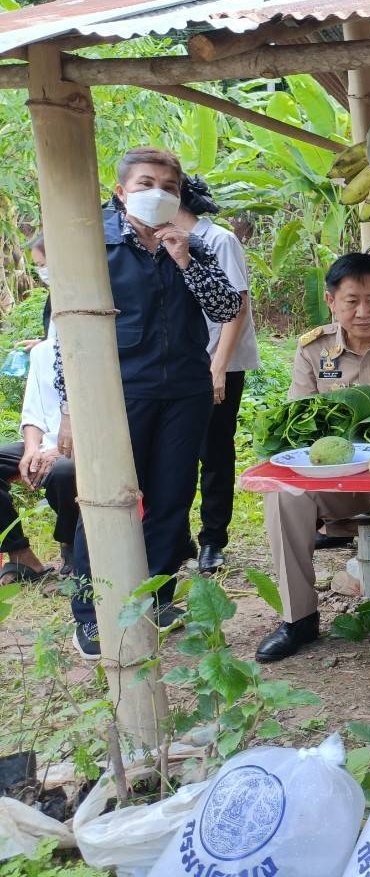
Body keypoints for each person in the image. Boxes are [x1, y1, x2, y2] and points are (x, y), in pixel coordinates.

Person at [60, 147, 242, 661]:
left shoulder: (192, 245)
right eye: (145, 183)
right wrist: (71, 407)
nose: (157, 192)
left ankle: (157, 600)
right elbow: (64, 332)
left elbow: (227, 306)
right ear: (121, 191)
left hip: (185, 391)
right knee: (103, 501)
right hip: (119, 392)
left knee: (170, 497)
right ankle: (91, 615)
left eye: (168, 184)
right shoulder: (95, 244)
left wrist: (186, 259)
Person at [255, 253, 370, 672]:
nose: (363, 312)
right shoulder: (313, 349)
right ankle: (298, 618)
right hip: (331, 476)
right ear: (331, 301)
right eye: (352, 301)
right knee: (284, 497)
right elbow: (298, 424)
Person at [175, 175, 260, 574]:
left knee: (214, 452)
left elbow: (237, 307)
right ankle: (176, 537)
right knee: (175, 455)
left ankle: (213, 540)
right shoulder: (158, 243)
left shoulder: (219, 240)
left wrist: (218, 367)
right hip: (178, 365)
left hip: (217, 363)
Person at [0, 338, 75, 583]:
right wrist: (32, 449)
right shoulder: (43, 352)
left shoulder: (104, 345)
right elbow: (33, 413)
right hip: (45, 443)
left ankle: (73, 548)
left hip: (88, 445)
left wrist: (57, 452)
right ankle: (21, 555)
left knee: (65, 470)